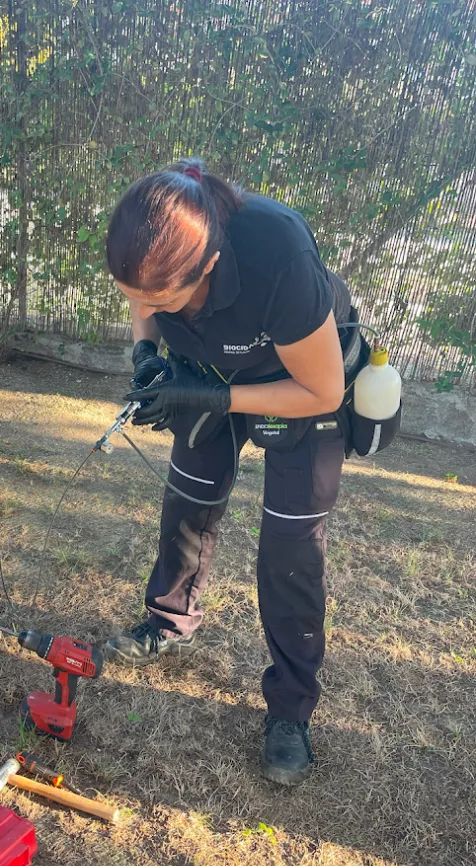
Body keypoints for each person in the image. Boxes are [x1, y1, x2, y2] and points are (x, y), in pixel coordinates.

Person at [103, 157, 360, 786]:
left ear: (209, 265)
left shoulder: (279, 255)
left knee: (289, 543)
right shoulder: (155, 238)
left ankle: (291, 711)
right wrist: (146, 353)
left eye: (156, 298)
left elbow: (322, 389)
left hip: (301, 384)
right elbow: (143, 297)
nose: (140, 305)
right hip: (210, 372)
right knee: (189, 497)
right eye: (131, 293)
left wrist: (217, 400)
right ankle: (169, 620)